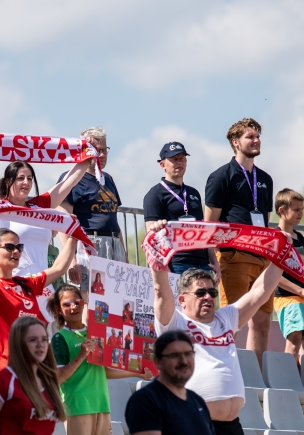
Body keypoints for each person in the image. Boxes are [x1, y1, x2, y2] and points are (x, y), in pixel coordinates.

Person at [150, 247, 283, 435]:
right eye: (200, 292)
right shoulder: (174, 323)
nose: (208, 297)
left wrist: (280, 256)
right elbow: (159, 288)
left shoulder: (225, 318)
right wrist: (156, 253)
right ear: (183, 300)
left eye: (212, 292)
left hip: (232, 429)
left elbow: (259, 292)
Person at [0, 154, 89, 323]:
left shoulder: (40, 206)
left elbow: (70, 181)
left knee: (41, 346)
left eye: (29, 178)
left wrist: (88, 155)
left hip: (42, 287)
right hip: (12, 290)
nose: (26, 183)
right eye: (20, 178)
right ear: (7, 182)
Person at [48, 284, 150, 435]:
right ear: (59, 310)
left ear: (84, 304)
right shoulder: (60, 338)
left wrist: (137, 371)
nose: (73, 307)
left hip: (101, 405)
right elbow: (59, 377)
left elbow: (103, 370)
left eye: (77, 302)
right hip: (77, 407)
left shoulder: (97, 333)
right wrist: (81, 355)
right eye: (66, 304)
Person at [204, 118, 275, 366]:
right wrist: (212, 259)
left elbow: (265, 221)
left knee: (262, 321)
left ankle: (255, 373)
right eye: (250, 137)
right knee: (231, 319)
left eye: (258, 136)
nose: (256, 141)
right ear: (235, 142)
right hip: (234, 255)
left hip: (262, 257)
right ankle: (227, 370)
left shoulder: (265, 178)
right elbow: (209, 224)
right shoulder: (221, 176)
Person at [0, 228, 77, 373]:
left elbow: (58, 268)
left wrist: (74, 235)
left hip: (35, 370)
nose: (15, 252)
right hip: (6, 370)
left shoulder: (27, 283)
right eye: (9, 247)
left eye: (18, 247)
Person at [60, 127, 127, 292]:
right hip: (90, 244)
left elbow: (114, 222)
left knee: (115, 300)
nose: (102, 155)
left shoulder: (108, 179)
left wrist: (124, 255)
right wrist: (71, 261)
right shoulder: (72, 179)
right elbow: (64, 223)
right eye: (96, 150)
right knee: (89, 299)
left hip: (114, 244)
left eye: (104, 150)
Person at [143, 142, 219, 278]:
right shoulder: (155, 194)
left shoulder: (193, 193)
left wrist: (214, 261)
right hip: (176, 263)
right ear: (163, 165)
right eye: (174, 159)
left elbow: (203, 230)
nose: (179, 162)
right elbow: (151, 234)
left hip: (202, 263)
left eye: (182, 158)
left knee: (206, 299)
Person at [272, 189, 304, 364]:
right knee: (294, 341)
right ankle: (288, 384)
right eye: (296, 209)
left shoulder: (300, 238)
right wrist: (300, 291)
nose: (300, 213)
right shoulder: (276, 237)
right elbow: (273, 277)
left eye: (302, 209)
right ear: (281, 210)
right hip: (288, 297)